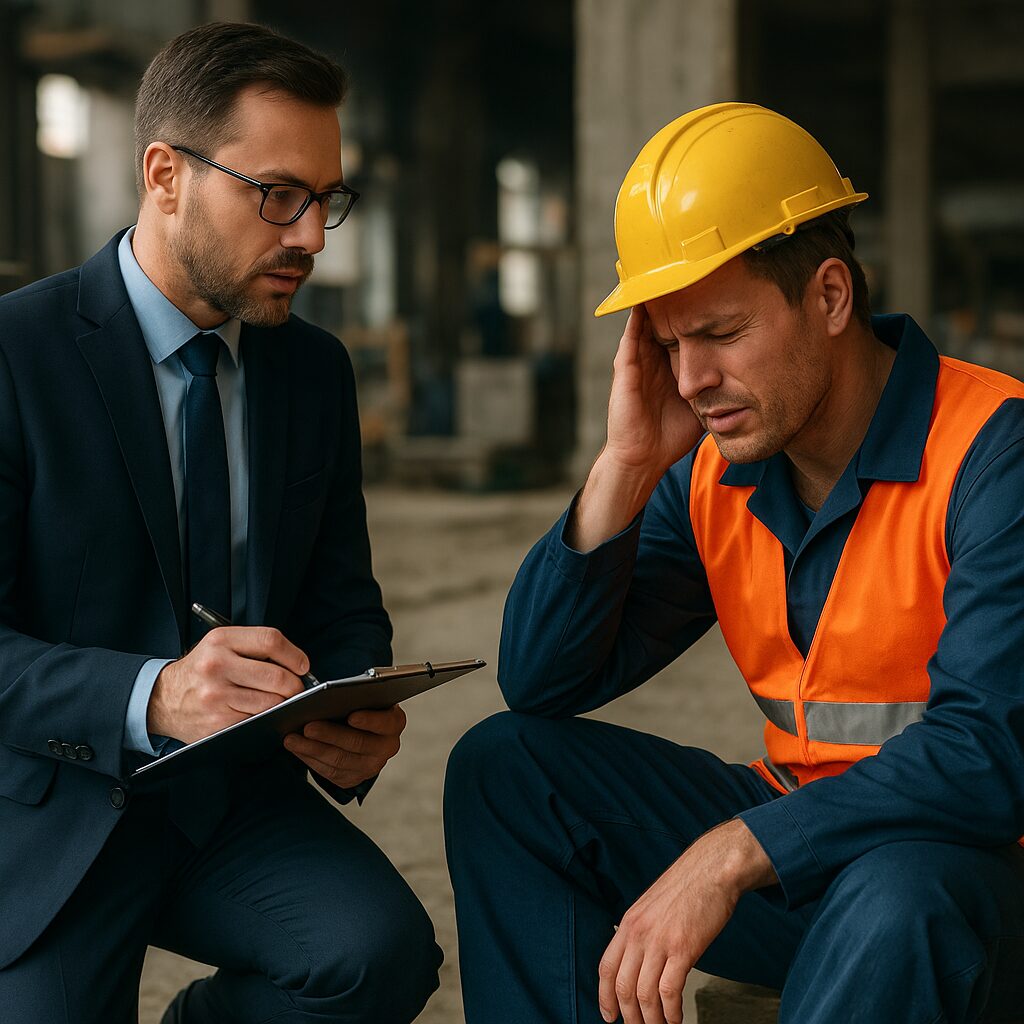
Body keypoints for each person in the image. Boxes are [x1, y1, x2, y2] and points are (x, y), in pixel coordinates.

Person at [444, 103, 1024, 1024]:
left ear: (831, 297)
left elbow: (989, 757)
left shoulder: (994, 454)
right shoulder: (720, 470)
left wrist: (731, 852)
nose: (689, 380)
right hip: (812, 865)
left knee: (901, 894)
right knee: (508, 769)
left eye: (718, 334)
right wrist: (627, 468)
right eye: (669, 345)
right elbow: (544, 681)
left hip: (973, 880)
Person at [0, 21, 440, 1024]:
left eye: (327, 198)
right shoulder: (16, 357)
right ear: (164, 175)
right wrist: (152, 693)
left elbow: (339, 593)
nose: (313, 236)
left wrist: (351, 704)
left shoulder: (311, 370)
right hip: (53, 804)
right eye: (278, 194)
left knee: (376, 957)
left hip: (233, 802)